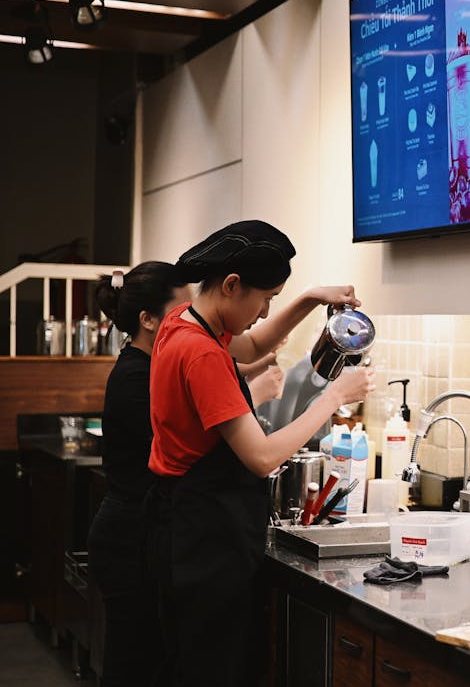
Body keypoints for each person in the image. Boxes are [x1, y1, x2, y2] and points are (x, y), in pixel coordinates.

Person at [146, 220, 375, 686]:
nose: (264, 310)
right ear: (232, 286)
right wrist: (333, 397)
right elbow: (262, 456)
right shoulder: (203, 355)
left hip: (178, 528)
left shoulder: (184, 323)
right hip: (203, 543)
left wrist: (309, 299)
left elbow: (254, 342)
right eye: (265, 298)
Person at [86, 262, 190, 687]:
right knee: (132, 662)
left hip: (140, 532)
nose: (189, 322)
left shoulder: (154, 366)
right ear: (148, 320)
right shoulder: (133, 374)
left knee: (145, 657)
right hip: (125, 538)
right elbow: (177, 442)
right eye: (181, 313)